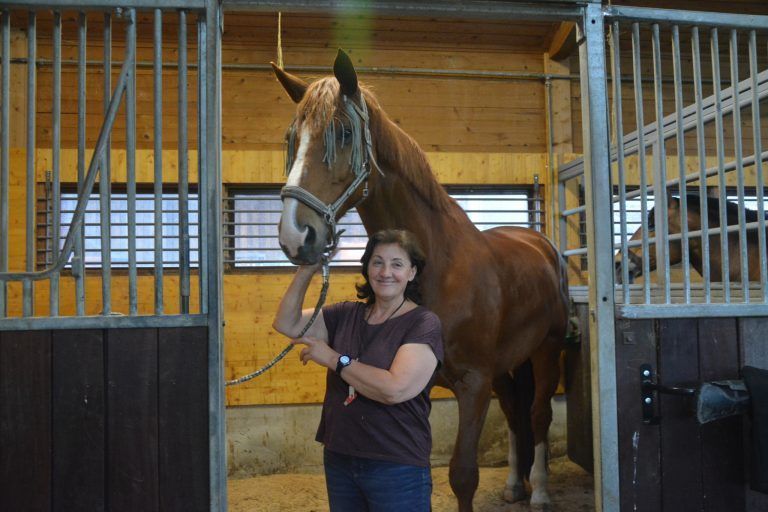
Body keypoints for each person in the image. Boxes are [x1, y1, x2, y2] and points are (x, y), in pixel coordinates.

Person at [273, 228, 444, 512]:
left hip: (396, 465)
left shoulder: (423, 323)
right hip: (340, 458)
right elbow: (286, 323)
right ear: (367, 268)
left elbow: (394, 389)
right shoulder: (345, 315)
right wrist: (307, 269)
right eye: (377, 262)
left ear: (412, 272)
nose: (385, 272)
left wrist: (333, 359)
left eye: (397, 264)